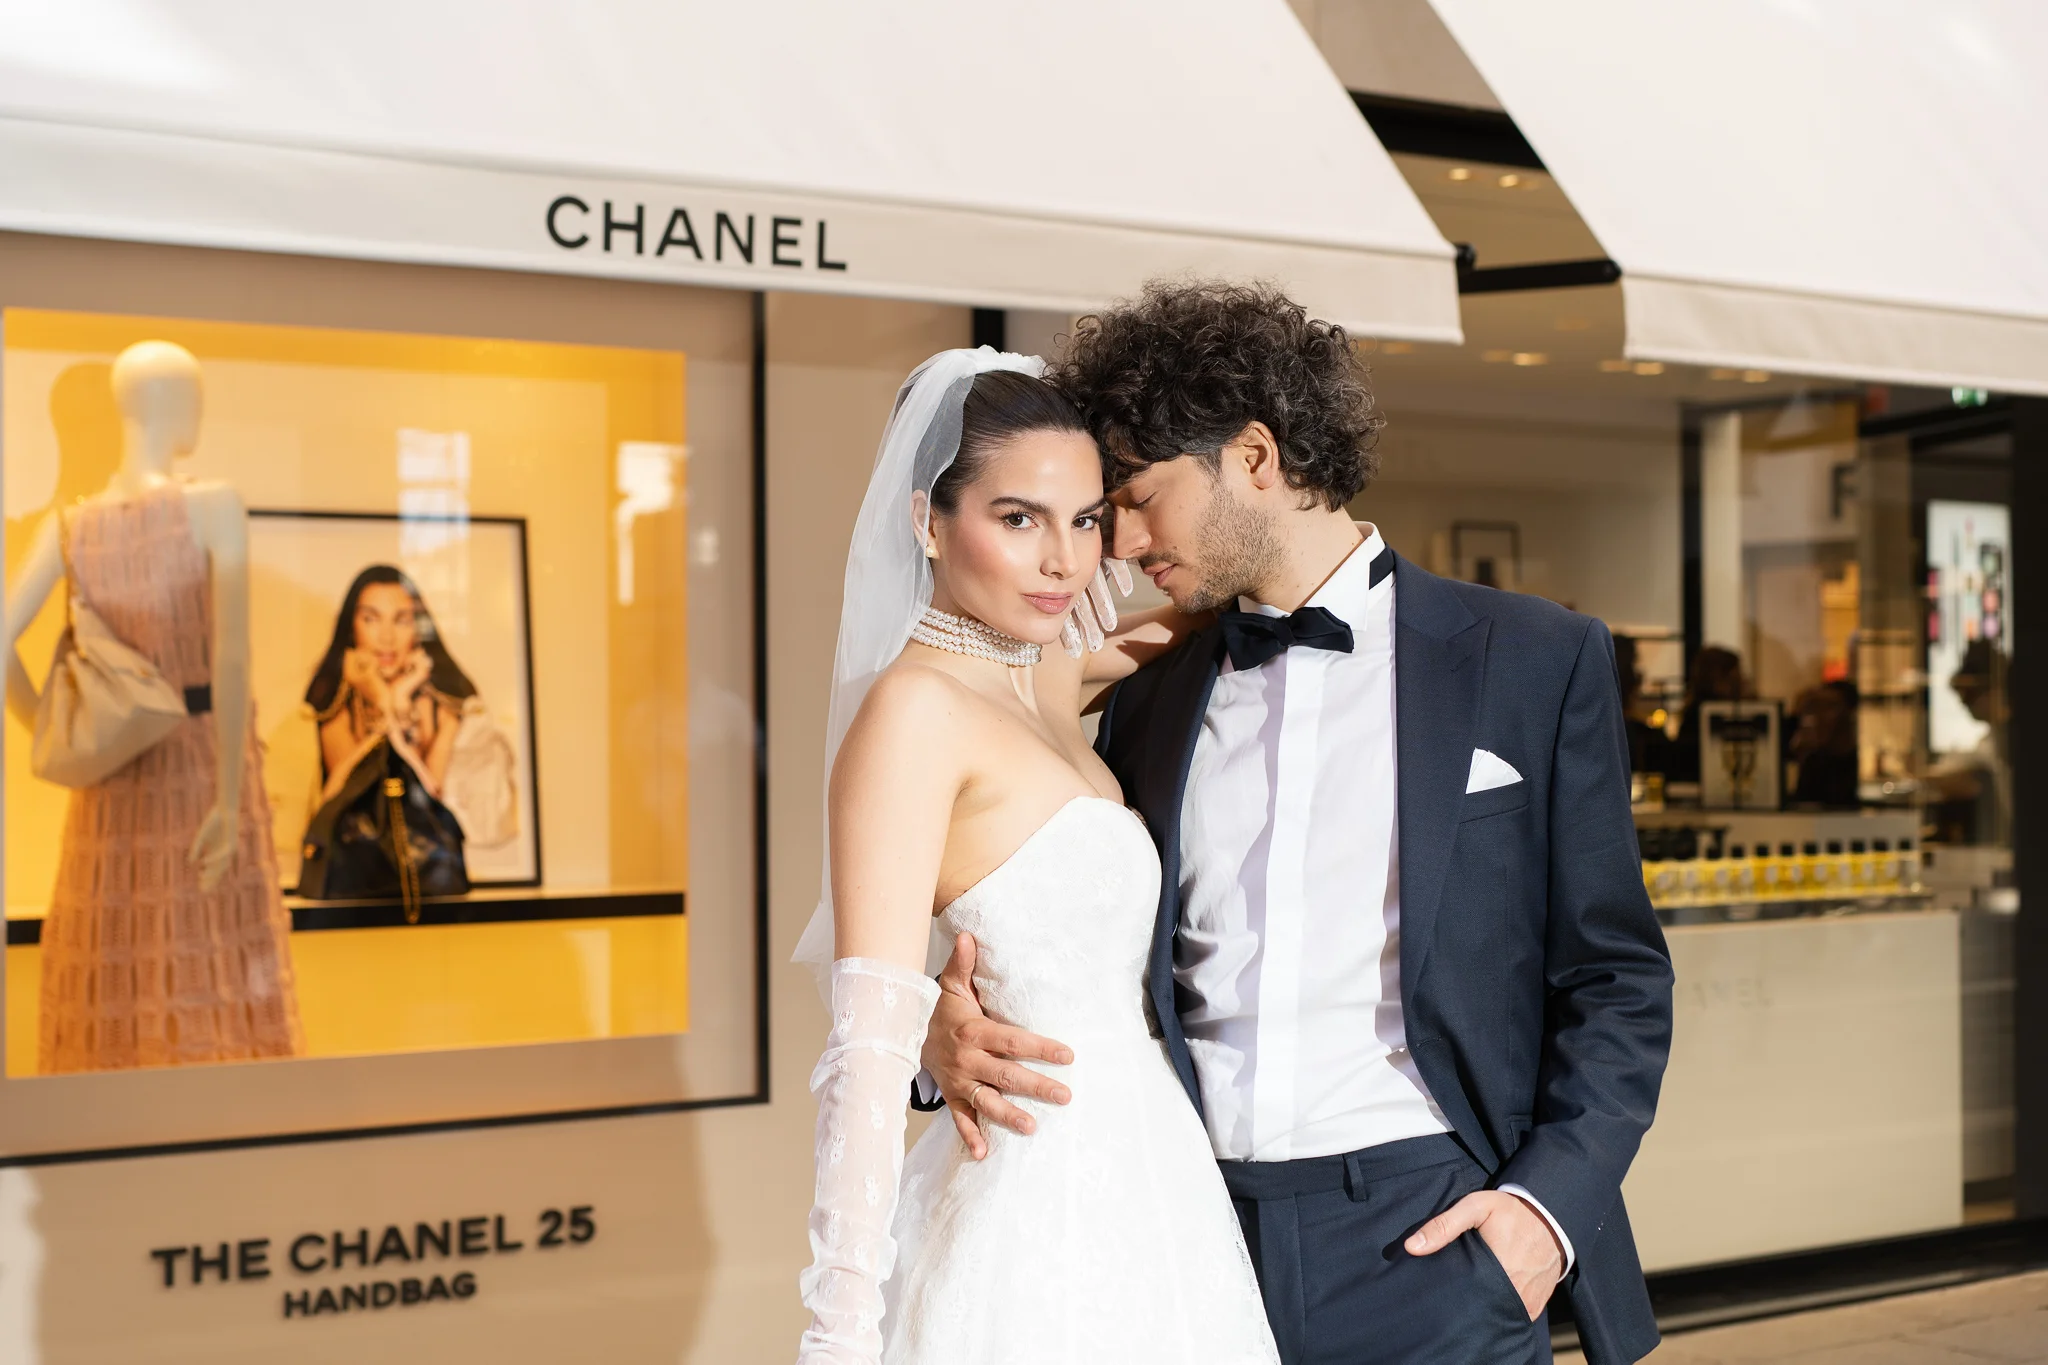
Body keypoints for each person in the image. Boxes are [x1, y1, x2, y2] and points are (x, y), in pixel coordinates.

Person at [922, 281, 1675, 1365]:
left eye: (1133, 497)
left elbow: (1615, 977)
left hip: (1434, 1240)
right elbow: (1035, 910)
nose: (1120, 545)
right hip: (1174, 1236)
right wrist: (935, 1046)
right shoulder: (1137, 689)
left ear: (1256, 458)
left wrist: (1539, 1216)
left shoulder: (1530, 660)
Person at [790, 351, 1279, 1364]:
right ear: (927, 521)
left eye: (1085, 518)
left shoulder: (1046, 681)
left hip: (1156, 1192)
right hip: (1026, 1199)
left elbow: (1219, 605)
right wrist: (837, 1334)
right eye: (1018, 520)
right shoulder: (912, 713)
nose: (1062, 561)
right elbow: (867, 1055)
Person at [292, 566, 517, 899]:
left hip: (429, 887)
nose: (386, 637)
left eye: (401, 620)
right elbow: (334, 796)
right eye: (371, 619)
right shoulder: (335, 700)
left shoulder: (447, 703)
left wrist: (392, 703)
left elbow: (432, 792)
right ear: (351, 627)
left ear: (418, 628)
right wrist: (384, 703)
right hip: (350, 885)